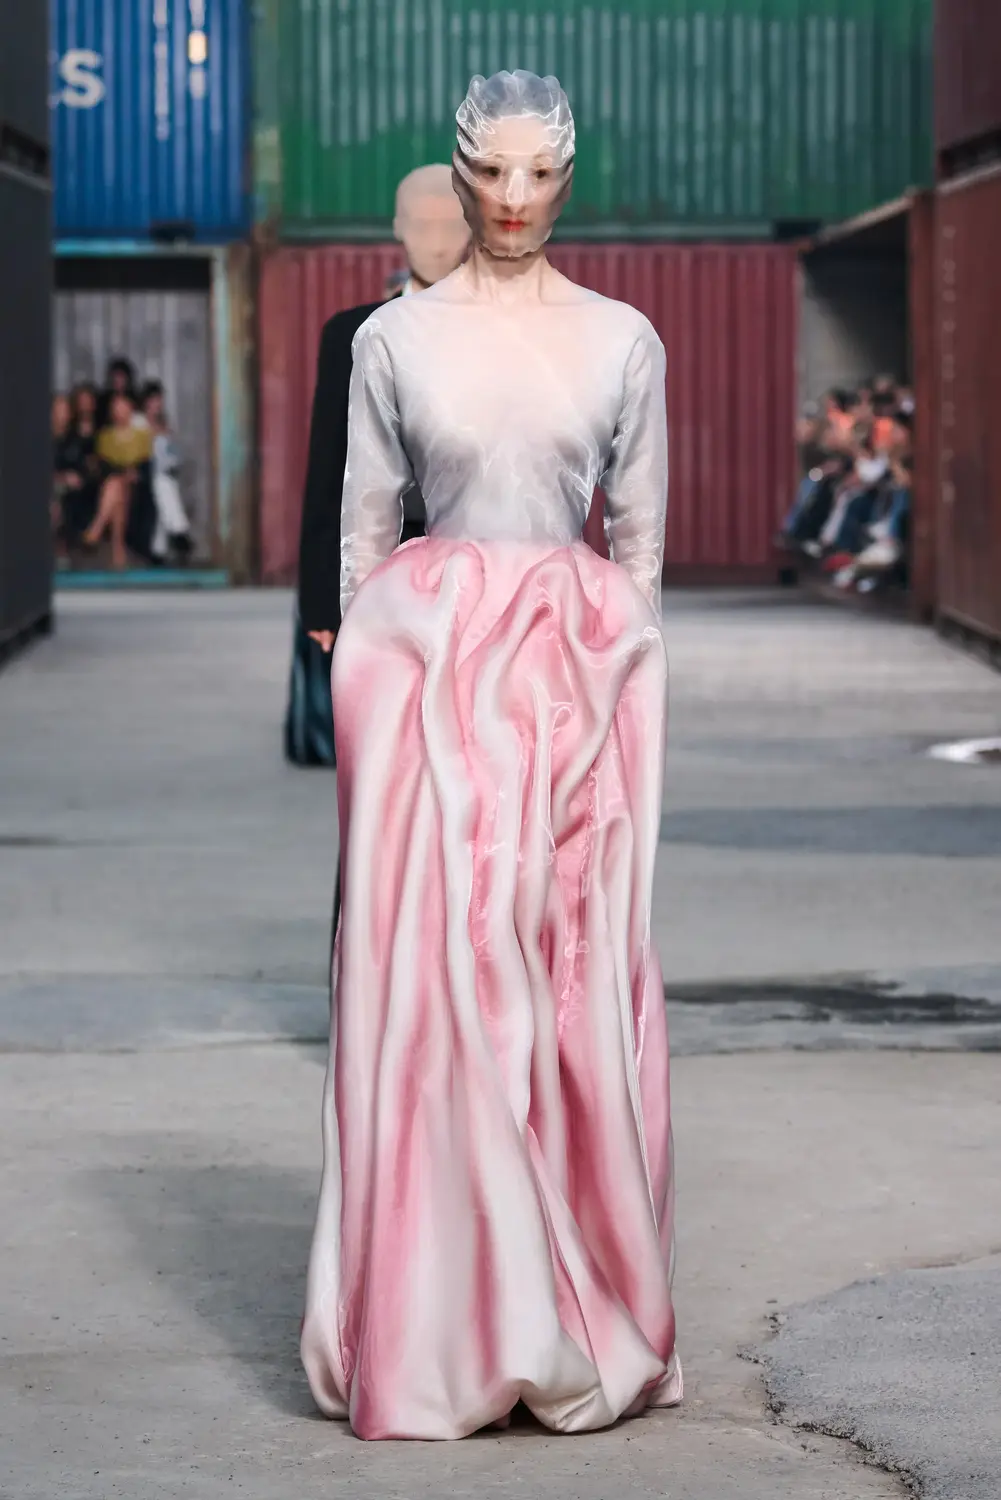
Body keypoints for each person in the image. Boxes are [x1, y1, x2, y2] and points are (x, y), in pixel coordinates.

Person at [301, 70, 680, 1440]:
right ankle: (447, 1326)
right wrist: (368, 724)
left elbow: (638, 552)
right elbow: (363, 539)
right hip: (429, 694)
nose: (513, 199)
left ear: (569, 177)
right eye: (490, 172)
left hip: (573, 693)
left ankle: (570, 1303)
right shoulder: (394, 340)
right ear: (457, 173)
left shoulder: (621, 339)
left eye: (538, 173)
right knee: (439, 992)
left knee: (568, 986)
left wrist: (621, 698)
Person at [287, 162, 472, 768]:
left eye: (451, 223)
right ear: (397, 227)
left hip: (477, 561)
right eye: (422, 224)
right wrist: (319, 600)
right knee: (383, 751)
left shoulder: (506, 332)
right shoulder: (350, 334)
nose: (437, 241)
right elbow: (328, 467)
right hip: (378, 563)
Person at [86, 392, 153, 569]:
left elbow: (145, 463)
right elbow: (104, 465)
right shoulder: (105, 436)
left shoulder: (142, 435)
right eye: (115, 407)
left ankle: (97, 527)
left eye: (123, 406)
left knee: (117, 486)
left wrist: (132, 473)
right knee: (117, 488)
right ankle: (118, 551)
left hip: (136, 485)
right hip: (112, 483)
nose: (119, 411)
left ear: (131, 408)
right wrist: (124, 473)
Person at [140, 381, 194, 561]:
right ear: (146, 401)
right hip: (146, 472)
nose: (157, 404)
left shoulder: (164, 424)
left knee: (166, 493)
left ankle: (159, 549)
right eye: (154, 400)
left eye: (159, 400)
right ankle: (180, 532)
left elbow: (173, 453)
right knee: (163, 486)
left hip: (166, 473)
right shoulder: (139, 422)